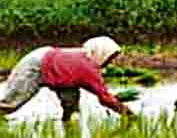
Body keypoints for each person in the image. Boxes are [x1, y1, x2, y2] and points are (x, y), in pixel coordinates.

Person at [0, 37, 134, 122]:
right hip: (37, 65)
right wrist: (127, 112)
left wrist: (111, 99)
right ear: (101, 53)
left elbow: (99, 92)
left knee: (71, 102)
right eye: (109, 58)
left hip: (59, 73)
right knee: (11, 103)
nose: (109, 62)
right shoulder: (88, 68)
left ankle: (67, 124)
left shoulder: (87, 59)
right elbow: (103, 97)